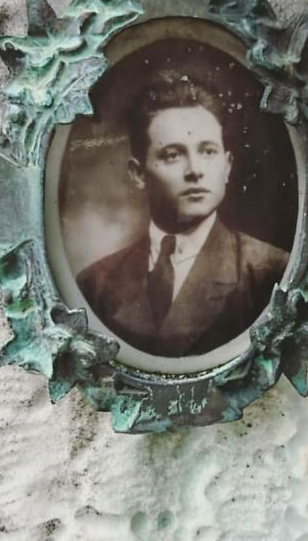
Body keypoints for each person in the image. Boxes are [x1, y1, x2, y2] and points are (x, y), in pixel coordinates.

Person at [76, 76, 289, 357]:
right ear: (138, 174)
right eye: (173, 154)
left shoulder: (269, 272)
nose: (194, 170)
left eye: (208, 151)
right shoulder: (95, 284)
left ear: (227, 167)